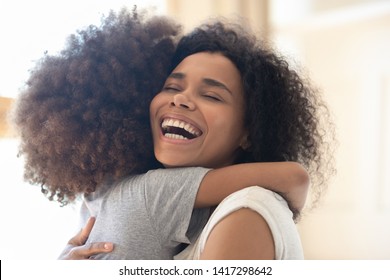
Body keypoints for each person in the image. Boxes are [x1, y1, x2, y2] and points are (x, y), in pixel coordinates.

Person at [12, 9, 333, 260]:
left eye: (212, 95)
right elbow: (294, 178)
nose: (180, 99)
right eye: (171, 87)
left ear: (250, 130)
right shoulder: (145, 193)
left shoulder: (244, 207)